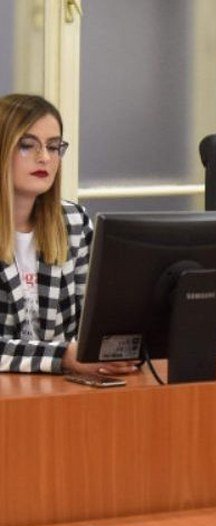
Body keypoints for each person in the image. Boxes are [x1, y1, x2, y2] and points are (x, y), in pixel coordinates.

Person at [0, 93, 137, 375]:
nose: (44, 158)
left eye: (53, 147)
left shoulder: (73, 222)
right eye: (27, 145)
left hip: (61, 389)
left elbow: (95, 320)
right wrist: (62, 356)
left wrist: (115, 348)